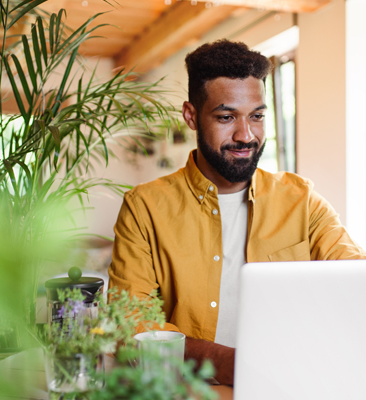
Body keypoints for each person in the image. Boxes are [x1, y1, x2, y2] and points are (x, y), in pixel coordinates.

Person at [108, 40, 366, 385]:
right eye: (226, 117)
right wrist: (228, 363)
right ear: (191, 116)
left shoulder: (302, 200)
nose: (246, 135)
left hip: (289, 385)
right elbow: (130, 323)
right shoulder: (144, 207)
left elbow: (354, 281)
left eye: (257, 116)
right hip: (190, 391)